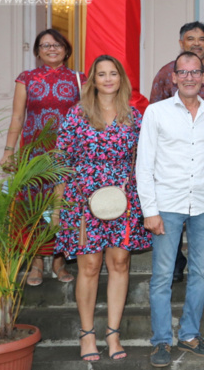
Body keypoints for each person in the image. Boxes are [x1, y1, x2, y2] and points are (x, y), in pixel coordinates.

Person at [54, 55, 149, 361]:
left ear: (121, 78)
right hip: (83, 200)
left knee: (120, 263)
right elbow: (61, 162)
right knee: (90, 266)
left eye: (113, 74)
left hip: (123, 200)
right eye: (101, 74)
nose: (108, 79)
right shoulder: (77, 115)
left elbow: (143, 162)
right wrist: (57, 209)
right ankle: (87, 335)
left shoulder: (134, 116)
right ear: (92, 80)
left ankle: (113, 334)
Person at [137, 51, 204, 368]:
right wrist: (150, 209)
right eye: (182, 72)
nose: (189, 77)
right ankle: (161, 340)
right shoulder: (156, 113)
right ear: (173, 77)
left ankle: (189, 334)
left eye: (195, 72)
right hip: (167, 205)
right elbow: (144, 164)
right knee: (161, 276)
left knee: (200, 274)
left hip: (203, 204)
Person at [150, 21, 204, 281]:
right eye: (191, 38)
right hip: (171, 160)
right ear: (181, 43)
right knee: (172, 214)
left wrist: (201, 127)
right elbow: (155, 109)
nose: (197, 43)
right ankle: (175, 263)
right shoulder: (167, 72)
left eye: (202, 39)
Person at [0, 28, 81, 286]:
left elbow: (87, 117)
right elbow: (17, 117)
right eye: (45, 45)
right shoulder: (27, 78)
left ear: (66, 50)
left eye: (57, 44)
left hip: (68, 154)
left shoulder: (80, 79)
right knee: (35, 207)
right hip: (35, 156)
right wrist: (9, 150)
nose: (51, 48)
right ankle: (36, 263)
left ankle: (58, 262)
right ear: (37, 52)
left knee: (63, 206)